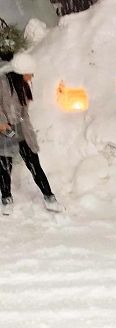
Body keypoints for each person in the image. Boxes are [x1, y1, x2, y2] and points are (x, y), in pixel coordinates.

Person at [0, 52, 62, 216]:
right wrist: (2, 124)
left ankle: (49, 197)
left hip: (20, 128)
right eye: (29, 73)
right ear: (19, 72)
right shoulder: (3, 82)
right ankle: (6, 198)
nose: (31, 76)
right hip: (4, 128)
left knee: (33, 162)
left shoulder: (23, 86)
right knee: (5, 166)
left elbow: (24, 112)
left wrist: (26, 130)